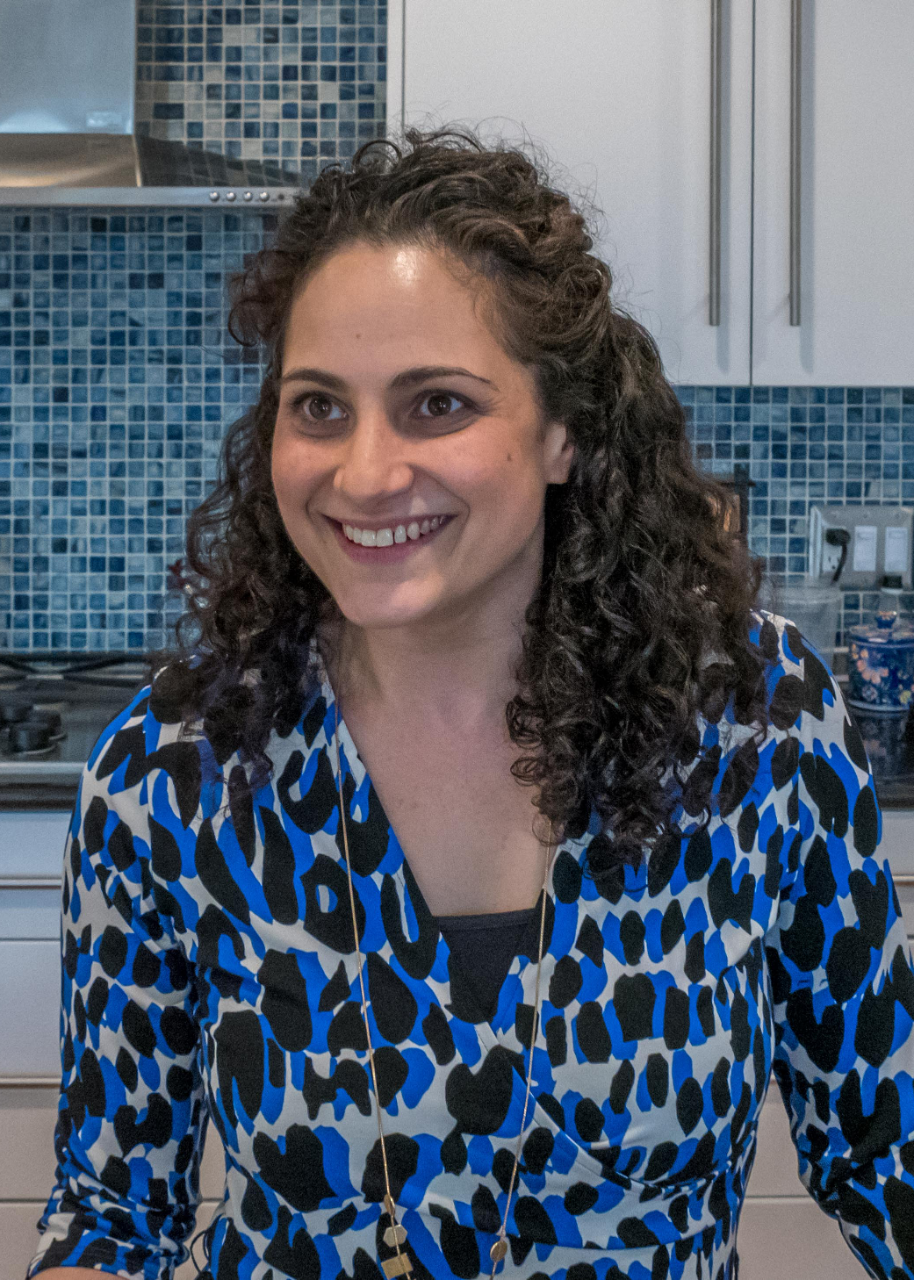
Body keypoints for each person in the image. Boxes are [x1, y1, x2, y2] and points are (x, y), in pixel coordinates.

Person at [25, 128, 914, 1280]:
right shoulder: (173, 768)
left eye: (436, 403)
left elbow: (884, 1147)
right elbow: (110, 1214)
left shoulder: (754, 721)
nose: (365, 473)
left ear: (562, 430)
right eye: (319, 407)